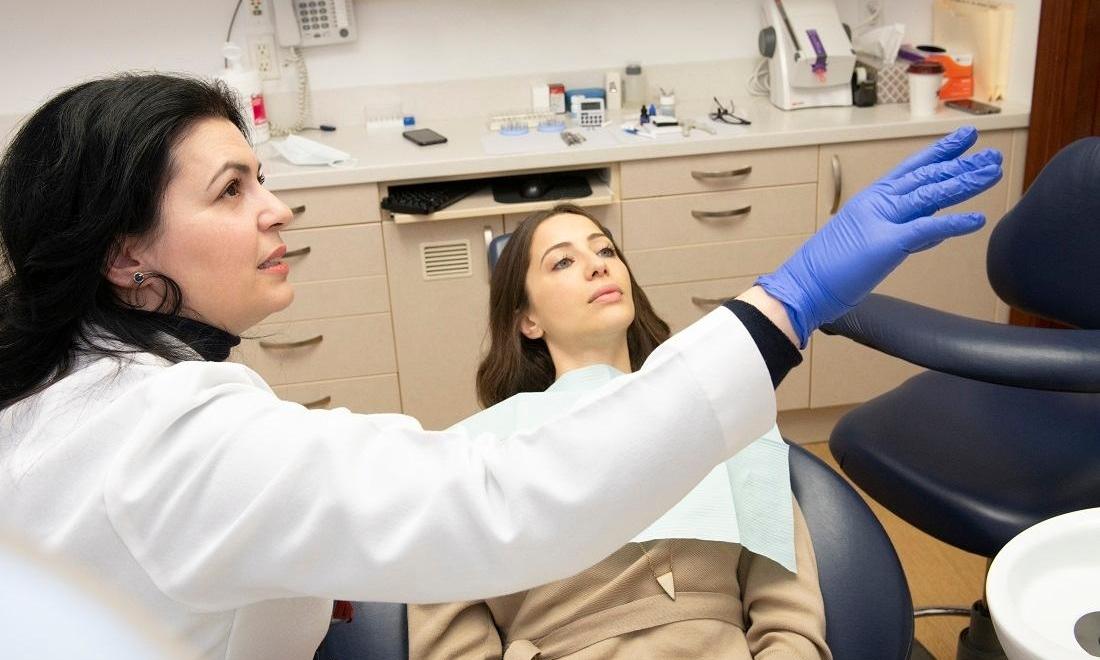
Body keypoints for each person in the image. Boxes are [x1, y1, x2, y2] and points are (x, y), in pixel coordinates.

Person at [0, 72, 1001, 659]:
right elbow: (488, 514)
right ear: (125, 255)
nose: (277, 208)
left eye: (262, 178)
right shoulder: (175, 444)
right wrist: (783, 304)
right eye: (230, 191)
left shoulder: (85, 411)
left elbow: (783, 604)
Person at [408, 205, 831, 660]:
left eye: (605, 249)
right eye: (563, 261)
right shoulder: (478, 450)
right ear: (527, 319)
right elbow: (449, 639)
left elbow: (790, 613)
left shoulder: (718, 408)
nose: (598, 265)